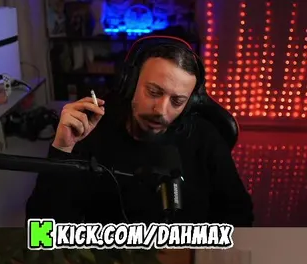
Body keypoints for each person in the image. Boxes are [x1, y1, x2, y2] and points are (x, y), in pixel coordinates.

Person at [26, 37, 254, 225]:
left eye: (177, 101)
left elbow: (240, 216)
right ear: (130, 83)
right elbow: (41, 230)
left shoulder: (205, 138)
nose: (161, 111)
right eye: (154, 92)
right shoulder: (90, 132)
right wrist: (62, 149)